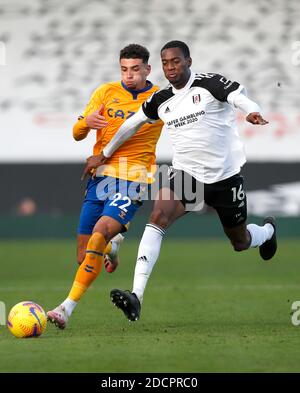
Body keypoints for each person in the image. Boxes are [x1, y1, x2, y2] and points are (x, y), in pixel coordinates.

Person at [87, 40, 278, 322]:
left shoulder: (209, 84)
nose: (170, 67)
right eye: (165, 63)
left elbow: (238, 96)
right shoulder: (161, 99)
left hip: (225, 177)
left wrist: (250, 110)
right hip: (187, 176)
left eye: (175, 61)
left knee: (240, 241)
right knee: (157, 216)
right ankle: (136, 295)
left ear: (188, 61)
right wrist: (104, 154)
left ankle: (267, 232)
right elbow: (131, 124)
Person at [47, 44, 163, 328]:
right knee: (84, 255)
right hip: (100, 177)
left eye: (135, 69)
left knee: (98, 234)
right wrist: (86, 122)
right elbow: (77, 134)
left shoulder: (160, 97)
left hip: (135, 177)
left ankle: (65, 309)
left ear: (147, 69)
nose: (129, 75)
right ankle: (113, 245)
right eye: (124, 69)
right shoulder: (105, 92)